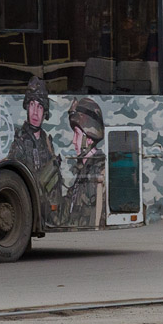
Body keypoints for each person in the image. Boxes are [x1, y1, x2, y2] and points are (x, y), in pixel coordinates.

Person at [7, 76, 62, 223]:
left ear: (45, 111)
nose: (35, 112)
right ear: (27, 107)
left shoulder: (47, 142)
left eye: (39, 106)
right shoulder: (20, 142)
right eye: (32, 104)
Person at [57, 97, 107, 228]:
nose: (73, 141)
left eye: (77, 135)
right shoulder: (82, 171)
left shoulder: (101, 173)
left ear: (89, 139)